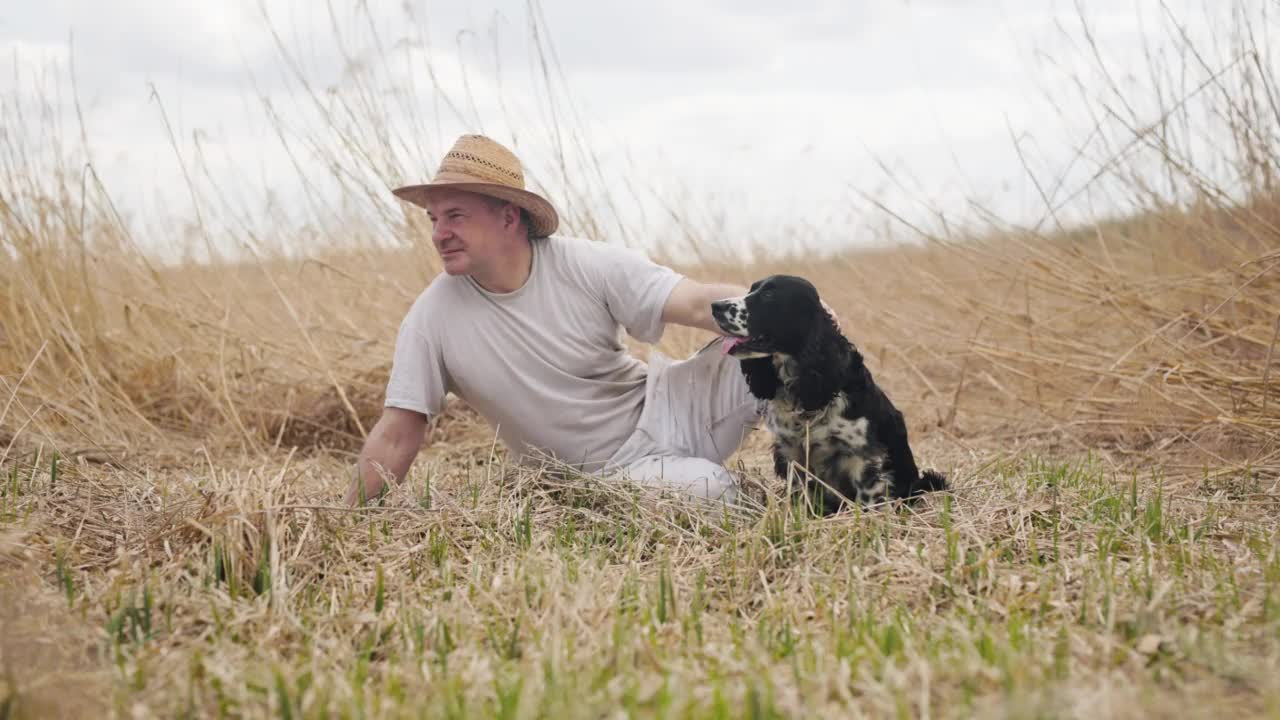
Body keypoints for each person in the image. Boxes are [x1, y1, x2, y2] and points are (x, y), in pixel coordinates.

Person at [343, 134, 764, 508]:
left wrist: (788, 310)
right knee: (713, 491)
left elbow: (694, 303)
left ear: (509, 217)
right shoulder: (430, 319)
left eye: (455, 215)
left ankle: (829, 486)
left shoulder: (585, 263)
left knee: (783, 353)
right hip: (612, 474)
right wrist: (346, 526)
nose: (438, 234)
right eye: (434, 219)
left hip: (677, 404)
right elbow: (397, 433)